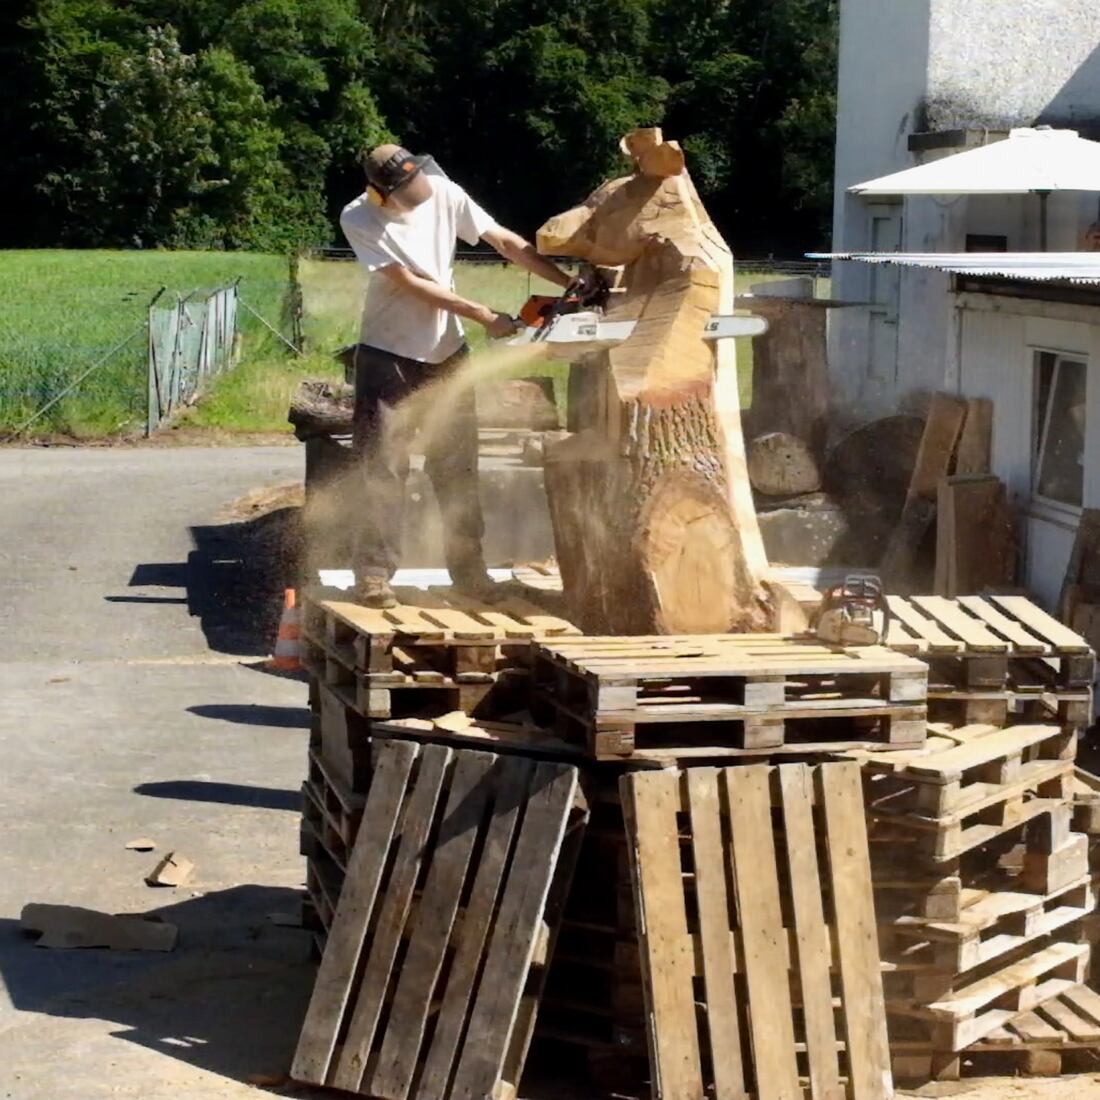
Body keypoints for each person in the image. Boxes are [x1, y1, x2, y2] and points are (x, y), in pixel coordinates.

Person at [339, 144, 572, 608]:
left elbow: (505, 241)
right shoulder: (359, 217)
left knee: (457, 466)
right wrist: (484, 314)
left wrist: (569, 283)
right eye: (409, 187)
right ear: (383, 192)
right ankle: (374, 576)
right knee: (384, 467)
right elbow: (410, 283)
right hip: (389, 354)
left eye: (420, 178)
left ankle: (469, 573)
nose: (422, 190)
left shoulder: (445, 191)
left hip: (447, 351)